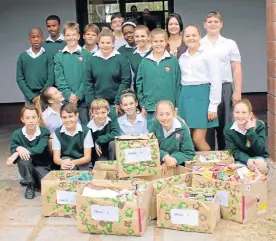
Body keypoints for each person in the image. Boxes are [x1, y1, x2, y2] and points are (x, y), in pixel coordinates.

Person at [201, 11, 242, 150]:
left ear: (221, 24)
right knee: (208, 128)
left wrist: (237, 91)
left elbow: (236, 68)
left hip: (225, 88)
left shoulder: (229, 44)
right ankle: (209, 159)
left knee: (226, 126)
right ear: (204, 25)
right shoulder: (199, 44)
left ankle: (226, 158)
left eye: (216, 21)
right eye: (209, 21)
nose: (213, 24)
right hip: (206, 88)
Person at [178, 24, 221, 151]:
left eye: (194, 35)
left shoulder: (209, 54)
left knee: (198, 138)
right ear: (183, 38)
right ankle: (194, 166)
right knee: (187, 137)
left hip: (202, 97)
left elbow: (216, 80)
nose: (191, 38)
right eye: (187, 35)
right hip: (185, 97)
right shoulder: (182, 58)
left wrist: (213, 105)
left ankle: (212, 164)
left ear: (199, 36)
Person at [136, 28, 181, 128]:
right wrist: (143, 105)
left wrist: (176, 106)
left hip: (170, 107)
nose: (158, 44)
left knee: (169, 135)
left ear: (166, 42)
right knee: (153, 136)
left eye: (161, 41)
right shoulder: (145, 62)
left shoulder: (173, 61)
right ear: (150, 42)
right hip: (151, 107)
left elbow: (178, 84)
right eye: (155, 41)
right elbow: (139, 84)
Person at [6, 105, 51, 199]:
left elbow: (39, 149)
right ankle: (30, 185)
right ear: (22, 119)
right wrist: (17, 149)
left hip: (42, 165)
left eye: (34, 117)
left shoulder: (44, 132)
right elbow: (13, 148)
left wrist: (18, 151)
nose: (31, 121)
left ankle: (29, 179)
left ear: (38, 118)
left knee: (46, 186)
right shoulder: (17, 134)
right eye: (27, 118)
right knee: (23, 158)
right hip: (27, 164)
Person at [84, 29, 131, 116]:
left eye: (108, 43)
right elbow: (88, 83)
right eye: (102, 43)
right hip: (97, 106)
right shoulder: (92, 60)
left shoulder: (121, 59)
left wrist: (118, 102)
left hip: (116, 105)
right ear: (98, 43)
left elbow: (125, 81)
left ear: (113, 44)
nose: (105, 45)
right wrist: (92, 105)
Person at [54, 21, 90, 124]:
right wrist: (69, 95)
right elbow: (59, 79)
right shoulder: (59, 57)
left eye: (74, 35)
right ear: (64, 37)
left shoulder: (87, 55)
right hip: (66, 101)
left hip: (83, 101)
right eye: (68, 35)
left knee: (85, 126)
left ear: (79, 36)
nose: (71, 38)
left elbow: (88, 78)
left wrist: (78, 95)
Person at [224, 99, 269, 175]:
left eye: (244, 112)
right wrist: (247, 160)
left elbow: (259, 150)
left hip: (257, 158)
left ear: (250, 114)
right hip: (241, 160)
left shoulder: (259, 125)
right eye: (237, 112)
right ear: (233, 114)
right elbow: (234, 151)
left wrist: (251, 131)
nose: (240, 115)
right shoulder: (228, 129)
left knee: (261, 167)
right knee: (238, 172)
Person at [151, 101, 195, 174]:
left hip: (176, 165)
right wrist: (165, 157)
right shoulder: (155, 124)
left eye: (168, 114)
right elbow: (150, 146)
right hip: (159, 161)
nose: (164, 118)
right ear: (156, 115)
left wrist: (172, 159)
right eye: (161, 114)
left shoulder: (182, 129)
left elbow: (189, 153)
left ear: (174, 113)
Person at [16, 27, 54, 105]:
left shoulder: (48, 55)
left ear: (42, 38)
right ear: (29, 39)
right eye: (33, 37)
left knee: (45, 116)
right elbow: (20, 78)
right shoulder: (23, 56)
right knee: (31, 116)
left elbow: (51, 77)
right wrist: (31, 96)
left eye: (38, 37)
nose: (36, 39)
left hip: (45, 95)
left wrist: (41, 95)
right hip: (29, 96)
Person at [52, 103, 94, 170]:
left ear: (76, 115)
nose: (67, 120)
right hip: (66, 161)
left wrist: (74, 162)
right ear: (61, 117)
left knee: (86, 178)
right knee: (66, 167)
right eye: (64, 117)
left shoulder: (86, 131)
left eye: (70, 116)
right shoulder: (57, 133)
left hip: (83, 162)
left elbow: (87, 157)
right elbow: (56, 158)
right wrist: (62, 162)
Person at [87, 99, 120, 164]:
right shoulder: (89, 127)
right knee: (101, 162)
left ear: (108, 111)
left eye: (103, 112)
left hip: (112, 151)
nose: (100, 116)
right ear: (92, 113)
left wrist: (98, 140)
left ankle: (114, 166)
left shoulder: (112, 119)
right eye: (96, 113)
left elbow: (116, 133)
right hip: (100, 153)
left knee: (113, 144)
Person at [129, 25, 151, 90]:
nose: (140, 39)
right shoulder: (132, 55)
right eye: (137, 36)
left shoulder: (154, 52)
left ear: (148, 37)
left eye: (143, 36)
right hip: (138, 90)